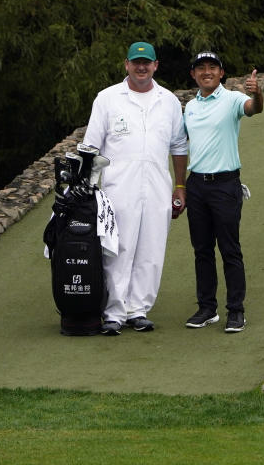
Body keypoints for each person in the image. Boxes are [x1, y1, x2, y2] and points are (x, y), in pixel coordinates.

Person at [83, 41, 188, 335]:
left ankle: (138, 309)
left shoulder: (168, 101)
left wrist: (180, 185)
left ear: (156, 65)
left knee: (151, 248)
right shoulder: (107, 98)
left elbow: (178, 145)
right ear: (126, 64)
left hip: (157, 185)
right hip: (118, 188)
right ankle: (114, 312)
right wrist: (89, 190)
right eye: (136, 62)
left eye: (147, 63)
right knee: (117, 248)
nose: (141, 68)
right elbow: (91, 147)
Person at [181, 51, 263, 333]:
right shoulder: (190, 107)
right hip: (197, 184)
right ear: (193, 74)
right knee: (202, 250)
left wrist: (258, 94)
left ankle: (236, 311)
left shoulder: (232, 99)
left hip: (225, 185)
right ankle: (207, 309)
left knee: (229, 249)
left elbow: (253, 109)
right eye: (201, 68)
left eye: (212, 68)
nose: (207, 72)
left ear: (221, 73)